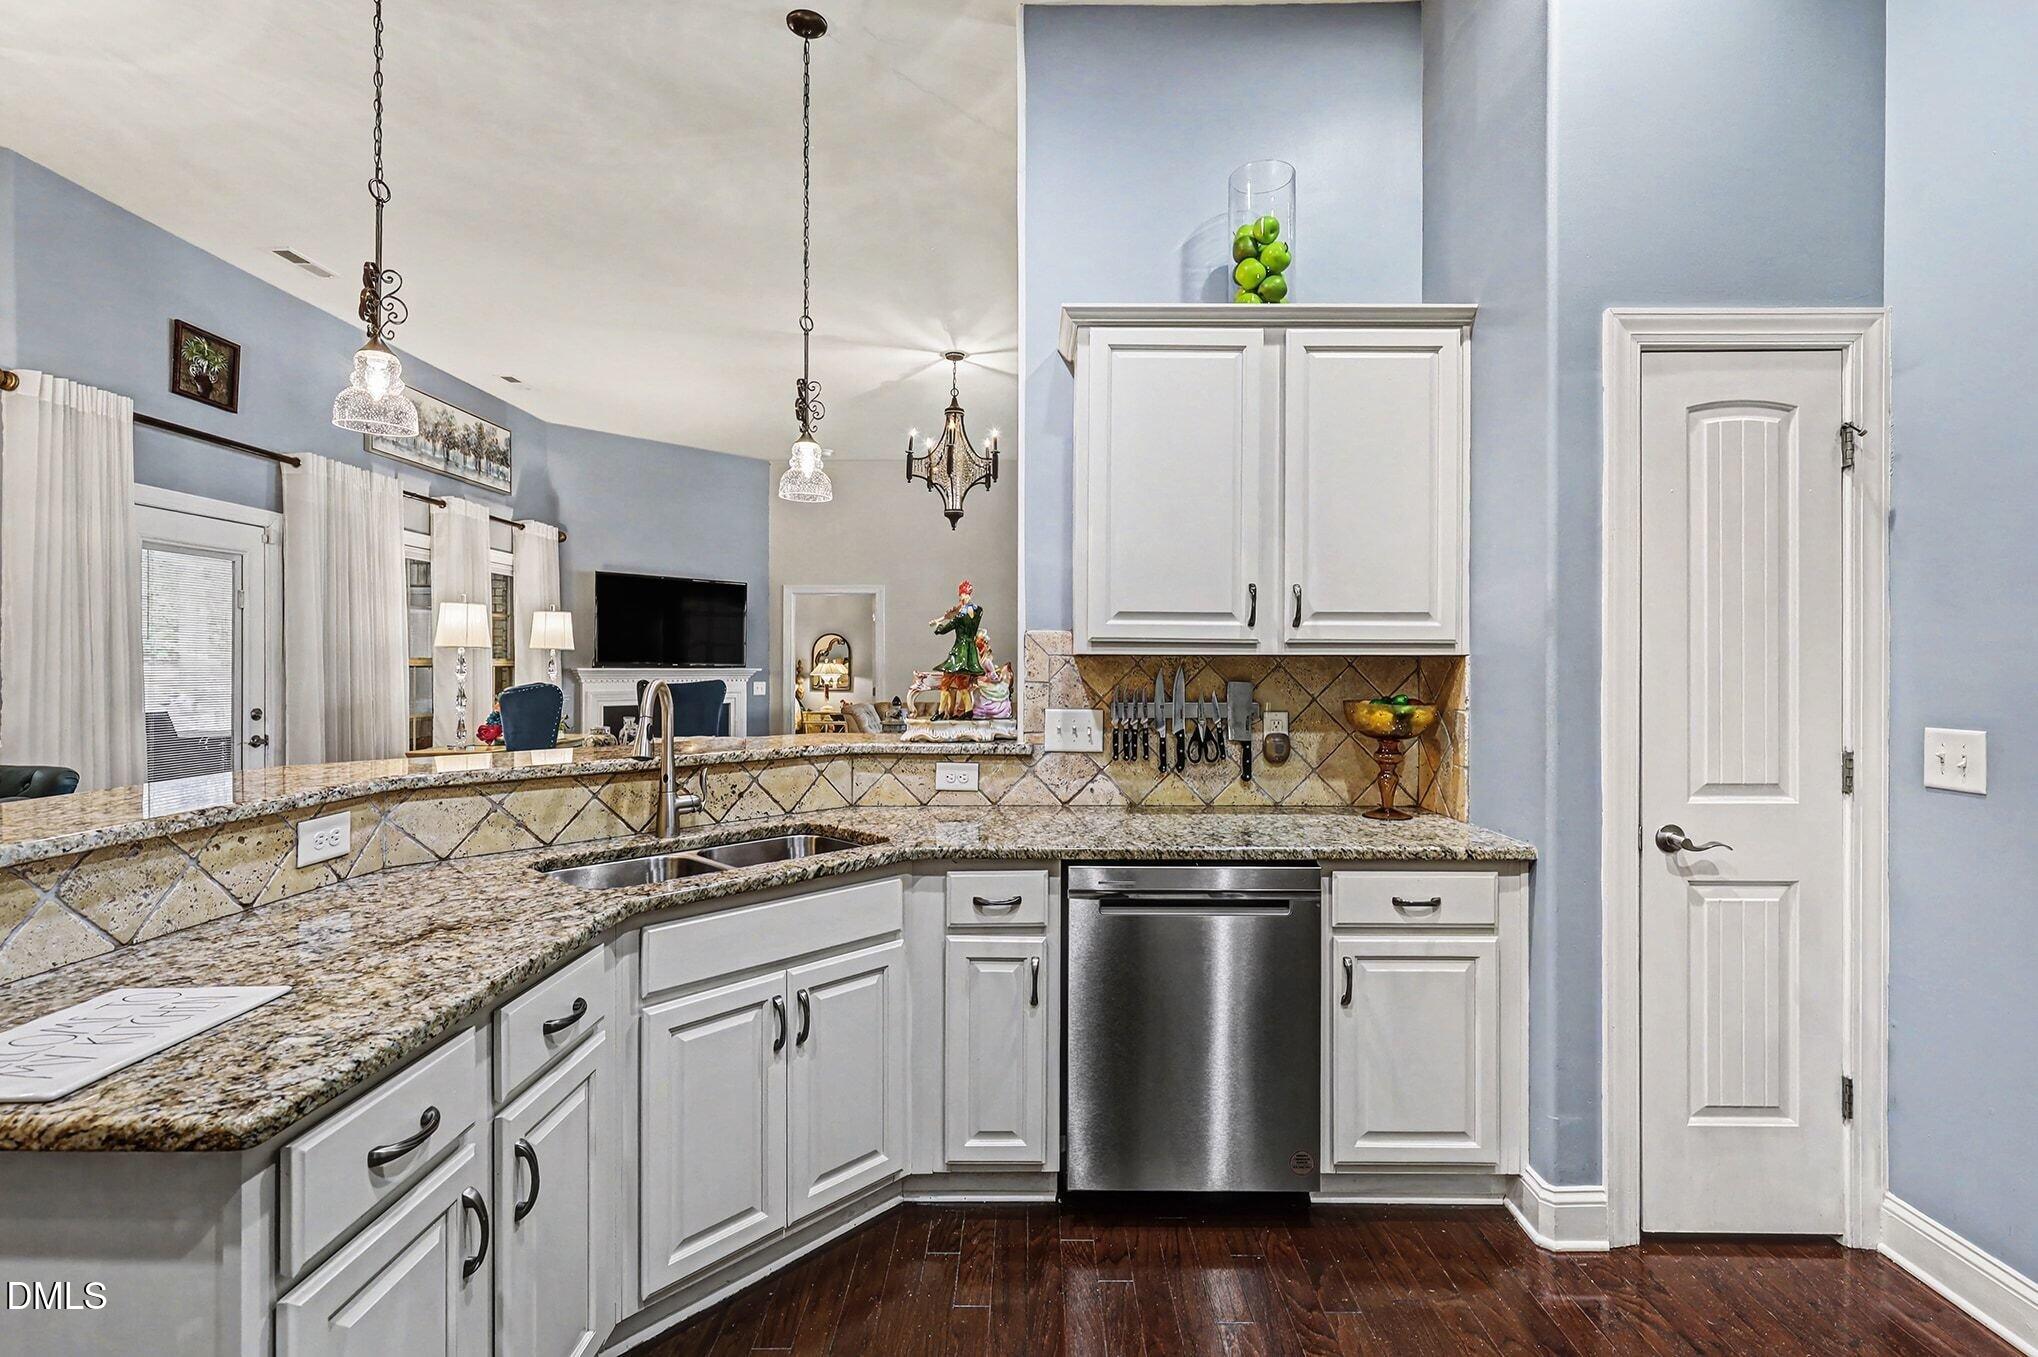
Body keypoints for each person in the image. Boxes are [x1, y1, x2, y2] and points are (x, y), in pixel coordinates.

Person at [930, 579, 985, 718]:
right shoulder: (978, 611)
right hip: (970, 652)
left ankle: (941, 712)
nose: (960, 598)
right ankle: (968, 711)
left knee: (946, 681)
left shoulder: (960, 615)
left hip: (960, 651)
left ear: (965, 594)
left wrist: (938, 625)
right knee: (962, 683)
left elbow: (945, 629)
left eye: (961, 595)